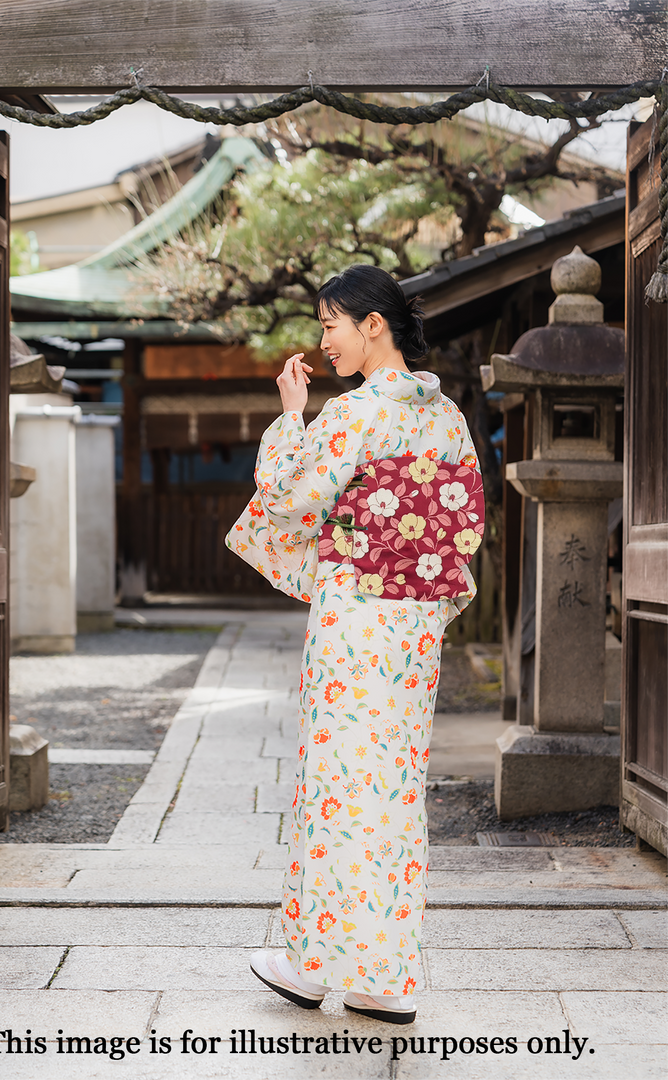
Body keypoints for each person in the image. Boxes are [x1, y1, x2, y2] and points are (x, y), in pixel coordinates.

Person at [226, 263, 483, 1024]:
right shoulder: (448, 419)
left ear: (374, 325)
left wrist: (290, 413)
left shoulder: (355, 414)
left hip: (355, 623)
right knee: (395, 796)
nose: (324, 339)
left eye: (332, 323)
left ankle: (313, 965)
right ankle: (385, 978)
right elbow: (462, 531)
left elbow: (286, 500)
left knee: (336, 791)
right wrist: (422, 598)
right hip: (412, 630)